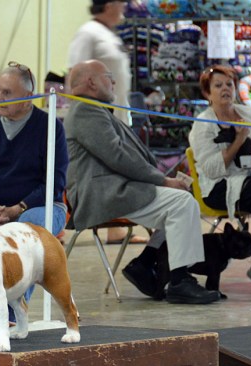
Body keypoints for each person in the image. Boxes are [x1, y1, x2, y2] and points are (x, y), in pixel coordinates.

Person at [64, 60, 219, 305]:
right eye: (108, 76)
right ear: (91, 82)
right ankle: (179, 280)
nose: (113, 81)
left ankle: (145, 263)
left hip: (117, 188)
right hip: (102, 193)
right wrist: (163, 180)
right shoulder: (85, 110)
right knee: (182, 203)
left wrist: (162, 180)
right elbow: (117, 156)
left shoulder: (95, 109)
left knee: (178, 205)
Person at [189, 65, 251, 289]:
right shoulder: (203, 125)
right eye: (218, 86)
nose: (225, 89)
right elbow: (211, 170)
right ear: (207, 93)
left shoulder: (249, 114)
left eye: (229, 84)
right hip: (219, 187)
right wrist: (238, 141)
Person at [68, 0, 146, 245]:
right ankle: (98, 219)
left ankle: (116, 227)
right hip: (96, 118)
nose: (124, 6)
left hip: (119, 114)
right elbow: (74, 74)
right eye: (120, 2)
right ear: (108, 4)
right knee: (108, 168)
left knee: (118, 170)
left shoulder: (109, 34)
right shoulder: (88, 33)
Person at [0, 62, 68, 237]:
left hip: (38, 208)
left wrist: (17, 209)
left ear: (27, 98)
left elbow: (55, 183)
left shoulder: (50, 127)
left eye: (7, 93)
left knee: (27, 227)